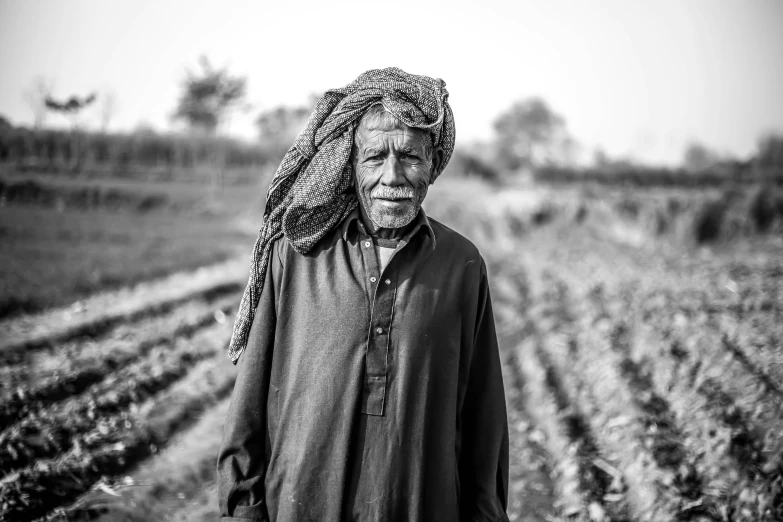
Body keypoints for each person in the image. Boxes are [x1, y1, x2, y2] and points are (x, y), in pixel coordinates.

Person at [217, 67, 509, 522]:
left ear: (432, 164)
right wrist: (243, 510)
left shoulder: (462, 266)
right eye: (375, 157)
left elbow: (483, 417)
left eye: (410, 156)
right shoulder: (295, 256)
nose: (393, 176)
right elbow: (250, 406)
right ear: (351, 166)